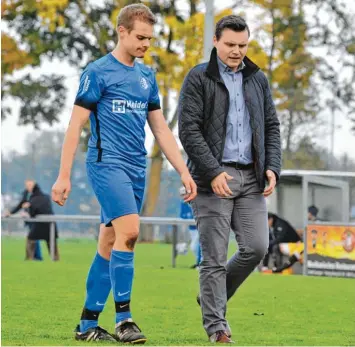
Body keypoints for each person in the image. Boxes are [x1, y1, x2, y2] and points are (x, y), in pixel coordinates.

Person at [51, 4, 197, 344]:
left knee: (109, 240)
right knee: (130, 231)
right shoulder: (98, 72)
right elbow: (75, 125)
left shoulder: (146, 77)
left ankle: (87, 324)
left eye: (150, 38)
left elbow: (160, 130)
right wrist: (63, 175)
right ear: (122, 32)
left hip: (136, 167)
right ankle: (124, 319)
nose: (146, 44)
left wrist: (184, 171)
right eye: (140, 37)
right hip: (106, 164)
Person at [178, 15, 281, 343]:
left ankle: (212, 296)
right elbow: (188, 130)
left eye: (243, 45)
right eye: (231, 45)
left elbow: (271, 126)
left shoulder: (257, 79)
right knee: (214, 257)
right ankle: (217, 328)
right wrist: (212, 171)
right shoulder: (198, 78)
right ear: (216, 42)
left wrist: (272, 167)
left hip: (251, 177)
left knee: (256, 247)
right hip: (211, 179)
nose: (237, 51)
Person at [180, 200, 202, 268]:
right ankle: (200, 262)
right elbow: (183, 217)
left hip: (199, 228)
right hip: (191, 229)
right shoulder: (183, 204)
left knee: (194, 246)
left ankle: (201, 262)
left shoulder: (197, 201)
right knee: (196, 248)